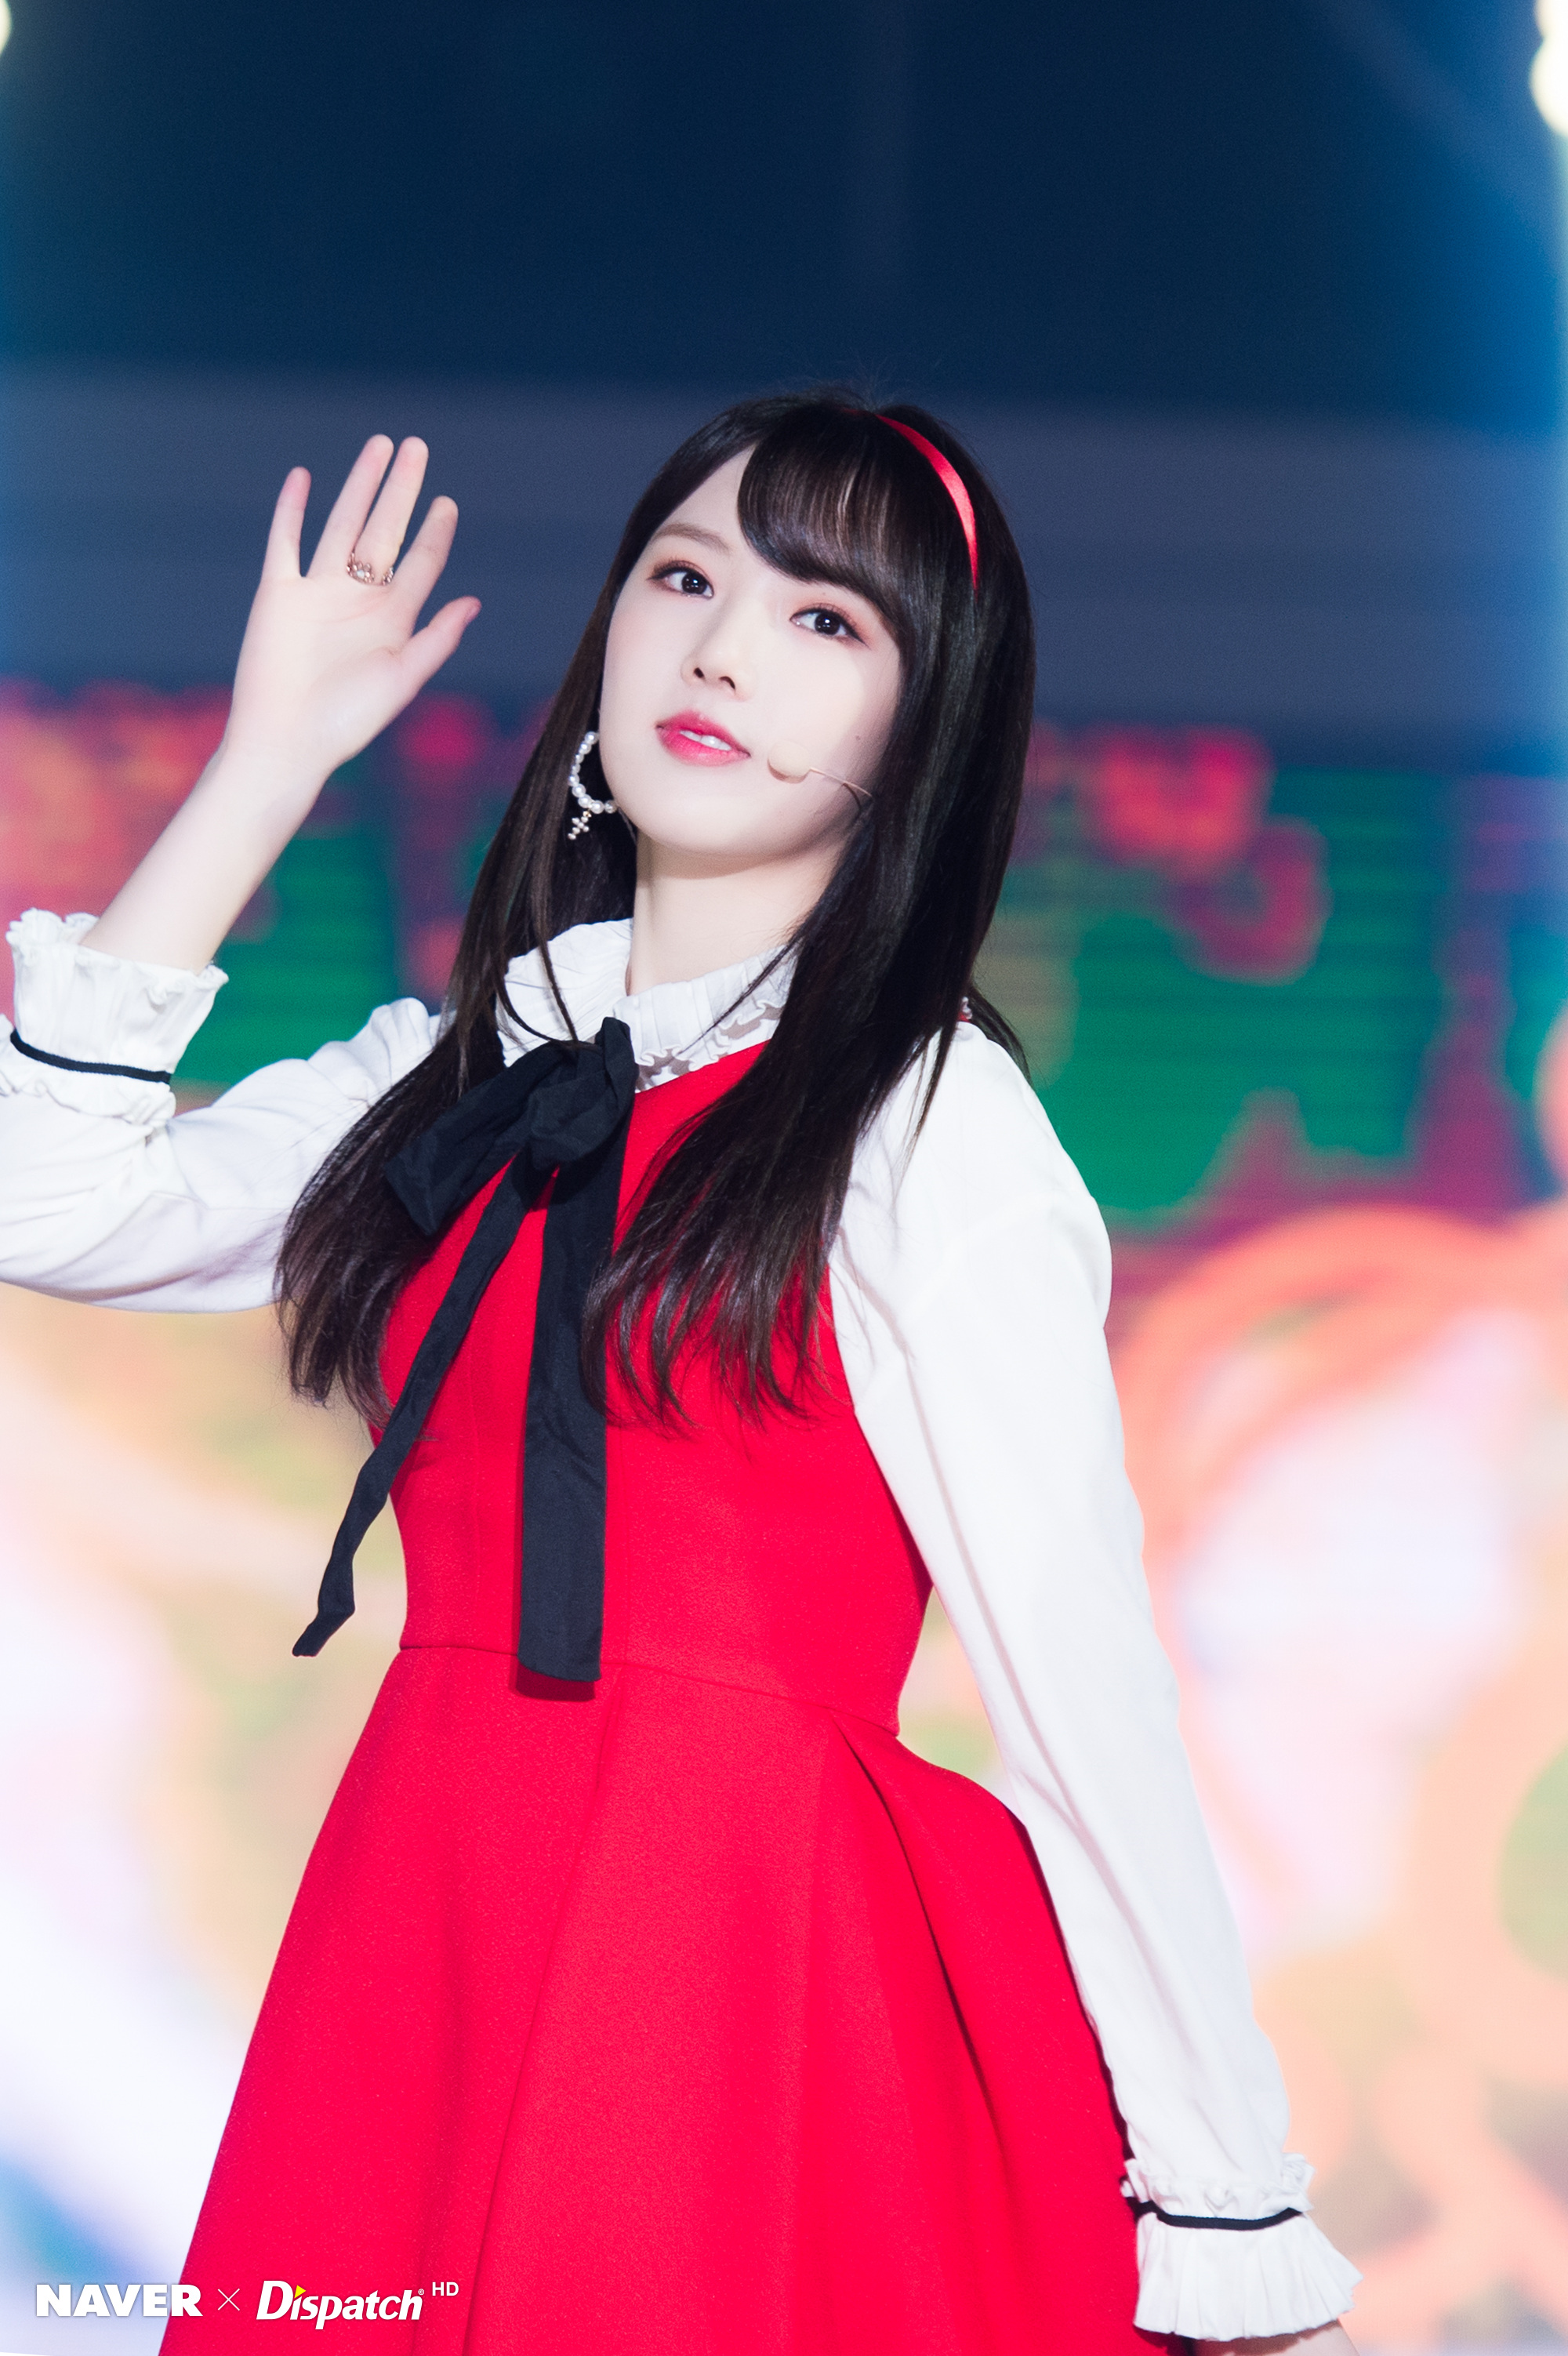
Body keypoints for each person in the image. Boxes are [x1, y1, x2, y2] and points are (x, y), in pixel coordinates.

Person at [0, 396, 1362, 2351]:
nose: (723, 649)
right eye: (684, 577)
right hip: (428, 1919)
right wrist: (269, 759)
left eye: (826, 619)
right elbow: (42, 1199)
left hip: (739, 1961)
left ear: (921, 722)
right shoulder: (457, 1069)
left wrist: (1228, 2206)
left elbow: (1081, 1696)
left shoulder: (930, 1125)